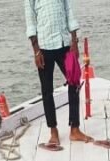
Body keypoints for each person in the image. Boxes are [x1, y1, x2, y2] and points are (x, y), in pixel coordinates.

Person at [24, 0, 92, 150]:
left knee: (74, 82)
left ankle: (75, 129)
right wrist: (36, 51)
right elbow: (30, 22)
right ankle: (53, 131)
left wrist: (74, 42)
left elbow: (69, 12)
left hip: (64, 44)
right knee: (47, 91)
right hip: (43, 48)